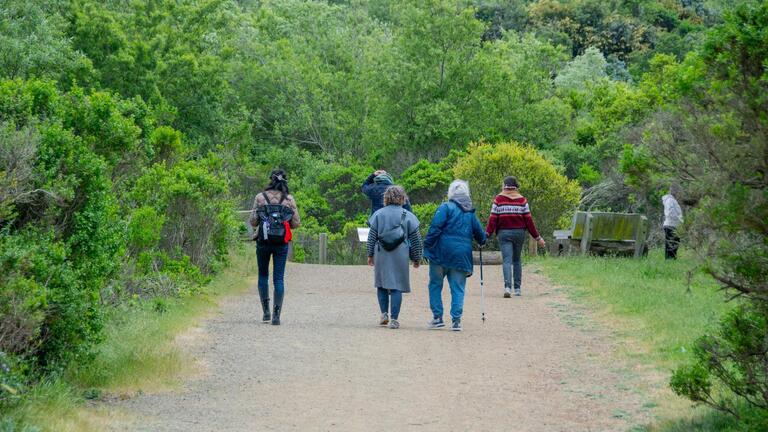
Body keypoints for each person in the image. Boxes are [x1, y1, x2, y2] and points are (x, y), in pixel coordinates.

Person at [423, 180, 486, 331]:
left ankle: (437, 317)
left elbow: (434, 229)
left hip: (440, 254)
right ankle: (456, 321)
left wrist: (427, 247)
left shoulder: (445, 207)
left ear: (450, 193)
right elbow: (481, 236)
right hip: (461, 256)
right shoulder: (470, 213)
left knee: (435, 284)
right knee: (458, 288)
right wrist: (482, 240)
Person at [366, 186, 422, 329]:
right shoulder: (408, 215)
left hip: (381, 253)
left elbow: (371, 236)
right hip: (400, 254)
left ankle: (384, 314)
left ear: (386, 198)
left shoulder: (378, 214)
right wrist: (416, 258)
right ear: (402, 198)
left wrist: (370, 254)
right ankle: (394, 320)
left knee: (381, 284)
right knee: (397, 286)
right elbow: (416, 240)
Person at [249, 169, 300, 325]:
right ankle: (276, 316)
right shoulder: (289, 199)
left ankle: (266, 312)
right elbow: (296, 223)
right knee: (278, 278)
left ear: (270, 180)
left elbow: (252, 221)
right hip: (281, 244)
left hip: (263, 242)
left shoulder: (260, 197)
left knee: (263, 276)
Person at [485, 176, 545, 298]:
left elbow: (492, 220)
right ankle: (517, 289)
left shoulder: (498, 199)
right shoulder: (522, 200)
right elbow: (529, 222)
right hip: (519, 233)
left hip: (504, 233)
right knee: (517, 260)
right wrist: (538, 238)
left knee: (507, 260)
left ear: (505, 186)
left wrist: (486, 235)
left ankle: (507, 287)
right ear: (515, 186)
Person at [662, 184, 683, 260]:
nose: (678, 193)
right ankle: (669, 260)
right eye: (677, 191)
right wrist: (680, 220)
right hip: (671, 225)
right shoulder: (670, 200)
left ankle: (671, 260)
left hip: (674, 225)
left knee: (674, 244)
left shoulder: (673, 200)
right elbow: (670, 213)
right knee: (671, 244)